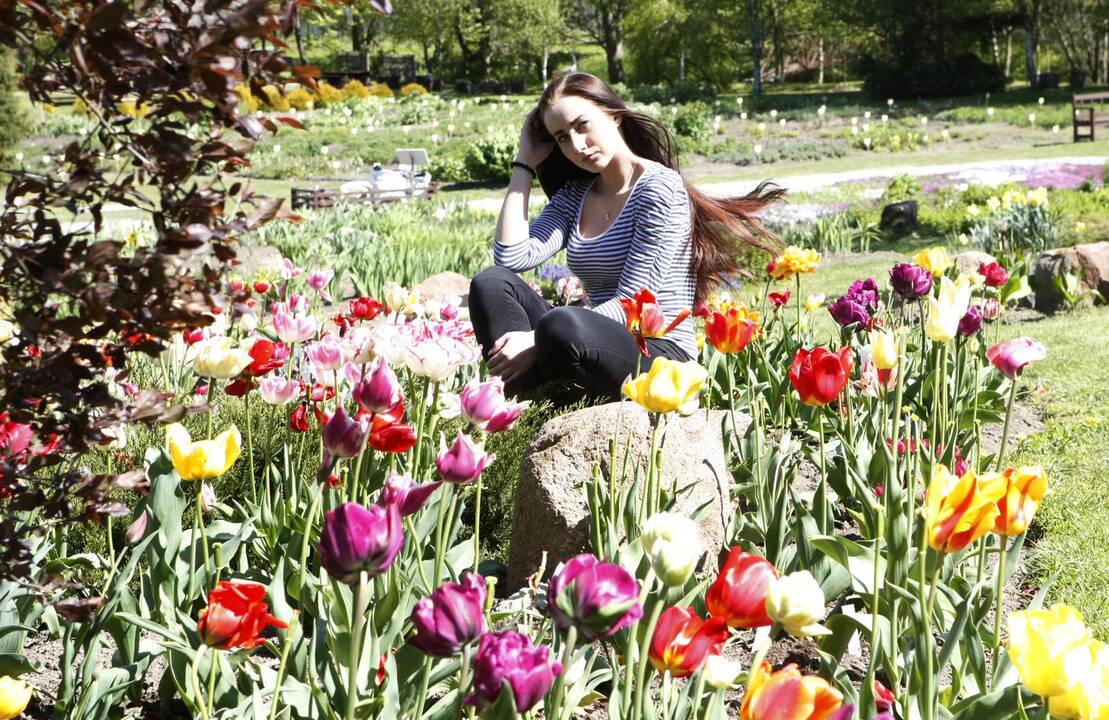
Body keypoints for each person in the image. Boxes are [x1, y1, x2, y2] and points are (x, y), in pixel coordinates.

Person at [468, 71, 784, 406]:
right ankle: (524, 406)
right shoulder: (577, 195)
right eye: (561, 137)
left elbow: (635, 302)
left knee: (559, 324)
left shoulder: (659, 189)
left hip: (657, 352)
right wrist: (524, 163)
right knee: (491, 282)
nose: (575, 145)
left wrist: (534, 340)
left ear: (614, 115)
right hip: (594, 342)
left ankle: (539, 403)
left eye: (582, 125)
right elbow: (512, 258)